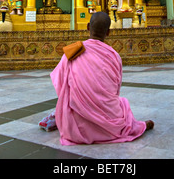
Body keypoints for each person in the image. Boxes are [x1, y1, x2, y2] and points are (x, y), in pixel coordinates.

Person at [41, 12, 154, 145]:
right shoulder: (114, 55)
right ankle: (135, 125)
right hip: (110, 122)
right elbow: (115, 89)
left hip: (75, 127)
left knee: (67, 104)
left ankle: (61, 118)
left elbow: (59, 84)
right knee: (122, 103)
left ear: (88, 27)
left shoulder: (73, 51)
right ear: (108, 33)